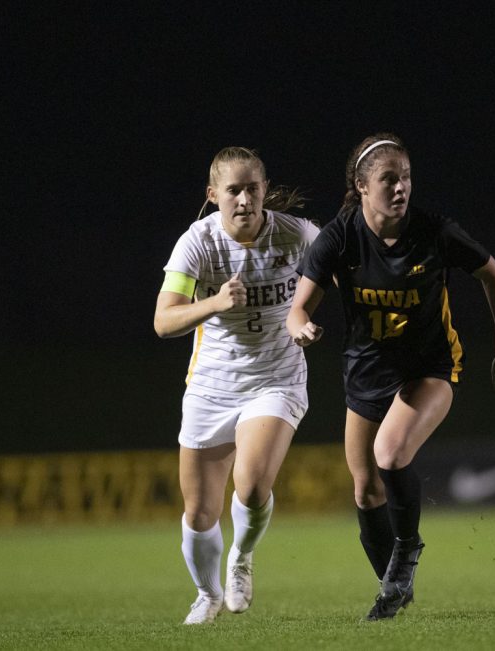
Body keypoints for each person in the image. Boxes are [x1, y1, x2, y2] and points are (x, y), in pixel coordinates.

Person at [286, 133, 495, 621]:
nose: (401, 188)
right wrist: (301, 326)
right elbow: (297, 309)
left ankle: (407, 552)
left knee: (390, 454)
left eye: (406, 177)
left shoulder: (435, 232)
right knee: (364, 488)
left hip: (429, 367)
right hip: (366, 369)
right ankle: (393, 589)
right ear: (362, 185)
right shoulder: (341, 235)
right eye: (389, 179)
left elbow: (493, 274)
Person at [154, 146, 319, 624]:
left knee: (249, 484)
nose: (244, 199)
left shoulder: (297, 235)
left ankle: (242, 557)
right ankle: (206, 595)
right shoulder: (198, 243)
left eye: (253, 188)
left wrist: (302, 316)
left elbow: (340, 274)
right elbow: (164, 322)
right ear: (213, 195)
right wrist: (215, 303)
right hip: (211, 386)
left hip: (276, 379)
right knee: (200, 512)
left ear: (265, 190)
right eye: (233, 190)